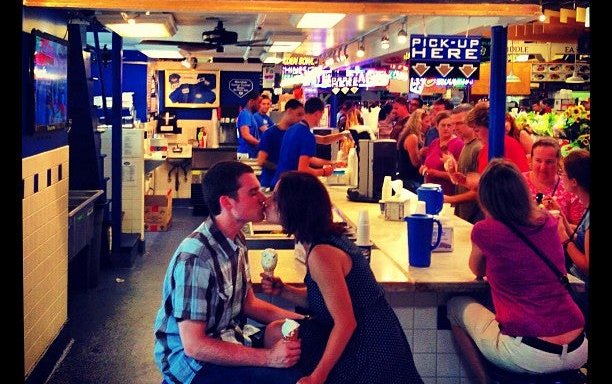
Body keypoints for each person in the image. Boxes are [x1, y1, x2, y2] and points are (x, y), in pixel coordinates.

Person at [262, 171, 424, 384]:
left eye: (275, 198)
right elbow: (326, 301)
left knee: (277, 335)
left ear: (294, 208)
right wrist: (284, 291)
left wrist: (316, 377)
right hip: (372, 335)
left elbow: (345, 323)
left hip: (367, 348)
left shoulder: (322, 254)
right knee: (276, 331)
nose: (267, 201)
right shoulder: (325, 238)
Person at [153, 161, 304, 384]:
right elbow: (195, 345)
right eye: (253, 192)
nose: (263, 198)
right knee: (294, 378)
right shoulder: (196, 258)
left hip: (230, 336)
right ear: (227, 202)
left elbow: (249, 303)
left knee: (284, 332)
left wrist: (304, 321)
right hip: (193, 365)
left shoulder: (236, 240)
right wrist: (268, 358)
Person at [447, 159, 587, 384]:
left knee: (454, 306)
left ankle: (485, 381)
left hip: (530, 352)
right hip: (579, 345)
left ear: (485, 197)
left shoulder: (485, 231)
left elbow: (477, 270)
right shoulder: (548, 223)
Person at [271, 97, 346, 187]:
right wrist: (323, 172)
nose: (320, 119)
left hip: (278, 183)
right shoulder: (307, 135)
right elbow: (303, 170)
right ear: (318, 113)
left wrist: (331, 163)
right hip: (290, 187)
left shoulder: (292, 129)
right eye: (321, 115)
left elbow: (322, 141)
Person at [522, 137, 585, 225]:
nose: (543, 167)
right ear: (530, 159)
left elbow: (580, 230)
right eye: (538, 161)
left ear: (558, 162)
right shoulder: (518, 182)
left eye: (549, 162)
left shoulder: (570, 188)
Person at [444, 103, 483, 223]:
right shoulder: (466, 145)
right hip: (464, 215)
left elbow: (480, 190)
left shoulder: (478, 148)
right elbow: (466, 182)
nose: (455, 127)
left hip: (475, 217)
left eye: (459, 123)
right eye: (453, 123)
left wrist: (451, 199)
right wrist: (452, 172)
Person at [556, 149, 590, 285]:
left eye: (563, 173)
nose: (561, 177)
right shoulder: (586, 205)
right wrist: (561, 216)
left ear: (574, 181)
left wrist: (564, 240)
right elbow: (581, 240)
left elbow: (587, 266)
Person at [256, 99, 305, 191]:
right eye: (298, 114)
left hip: (290, 185)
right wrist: (282, 168)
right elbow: (261, 161)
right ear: (289, 111)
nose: (301, 119)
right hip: (270, 185)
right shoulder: (270, 134)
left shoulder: (296, 134)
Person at [236, 93, 262, 159]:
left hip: (251, 153)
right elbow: (246, 135)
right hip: (246, 153)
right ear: (251, 102)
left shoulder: (250, 115)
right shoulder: (245, 114)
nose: (260, 105)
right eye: (259, 102)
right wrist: (260, 143)